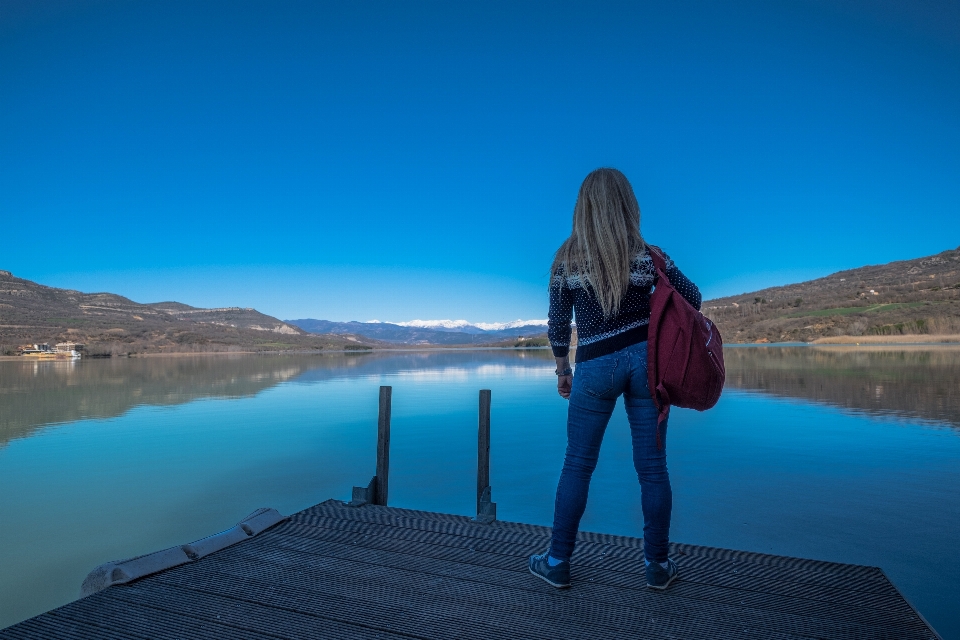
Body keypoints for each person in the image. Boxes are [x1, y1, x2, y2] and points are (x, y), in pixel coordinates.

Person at [529, 168, 702, 590]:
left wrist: (562, 369)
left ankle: (557, 562)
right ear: (629, 204)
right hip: (648, 366)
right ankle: (657, 568)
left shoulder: (565, 258)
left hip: (594, 368)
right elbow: (693, 298)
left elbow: (557, 327)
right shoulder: (649, 254)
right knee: (653, 470)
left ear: (581, 207)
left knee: (577, 465)